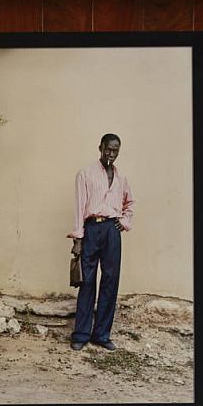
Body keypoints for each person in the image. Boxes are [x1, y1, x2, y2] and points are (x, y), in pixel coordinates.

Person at [69, 133, 133, 351]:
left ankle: (102, 334)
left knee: (110, 281)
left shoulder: (121, 177)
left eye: (115, 151)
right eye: (108, 149)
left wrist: (123, 222)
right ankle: (81, 334)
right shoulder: (85, 174)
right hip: (92, 229)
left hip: (112, 231)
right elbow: (79, 208)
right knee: (87, 281)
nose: (111, 154)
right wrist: (78, 238)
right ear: (100, 147)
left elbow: (130, 203)